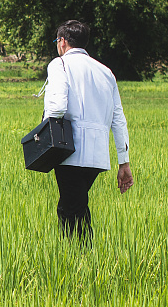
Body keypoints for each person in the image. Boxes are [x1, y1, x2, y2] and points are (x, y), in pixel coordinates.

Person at [42, 20, 133, 240]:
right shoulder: (106, 72)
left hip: (69, 151)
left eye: (57, 41)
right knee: (74, 206)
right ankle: (80, 259)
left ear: (62, 41)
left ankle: (80, 261)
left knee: (71, 212)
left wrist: (42, 137)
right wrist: (124, 162)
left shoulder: (60, 64)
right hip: (97, 157)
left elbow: (57, 107)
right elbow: (118, 119)